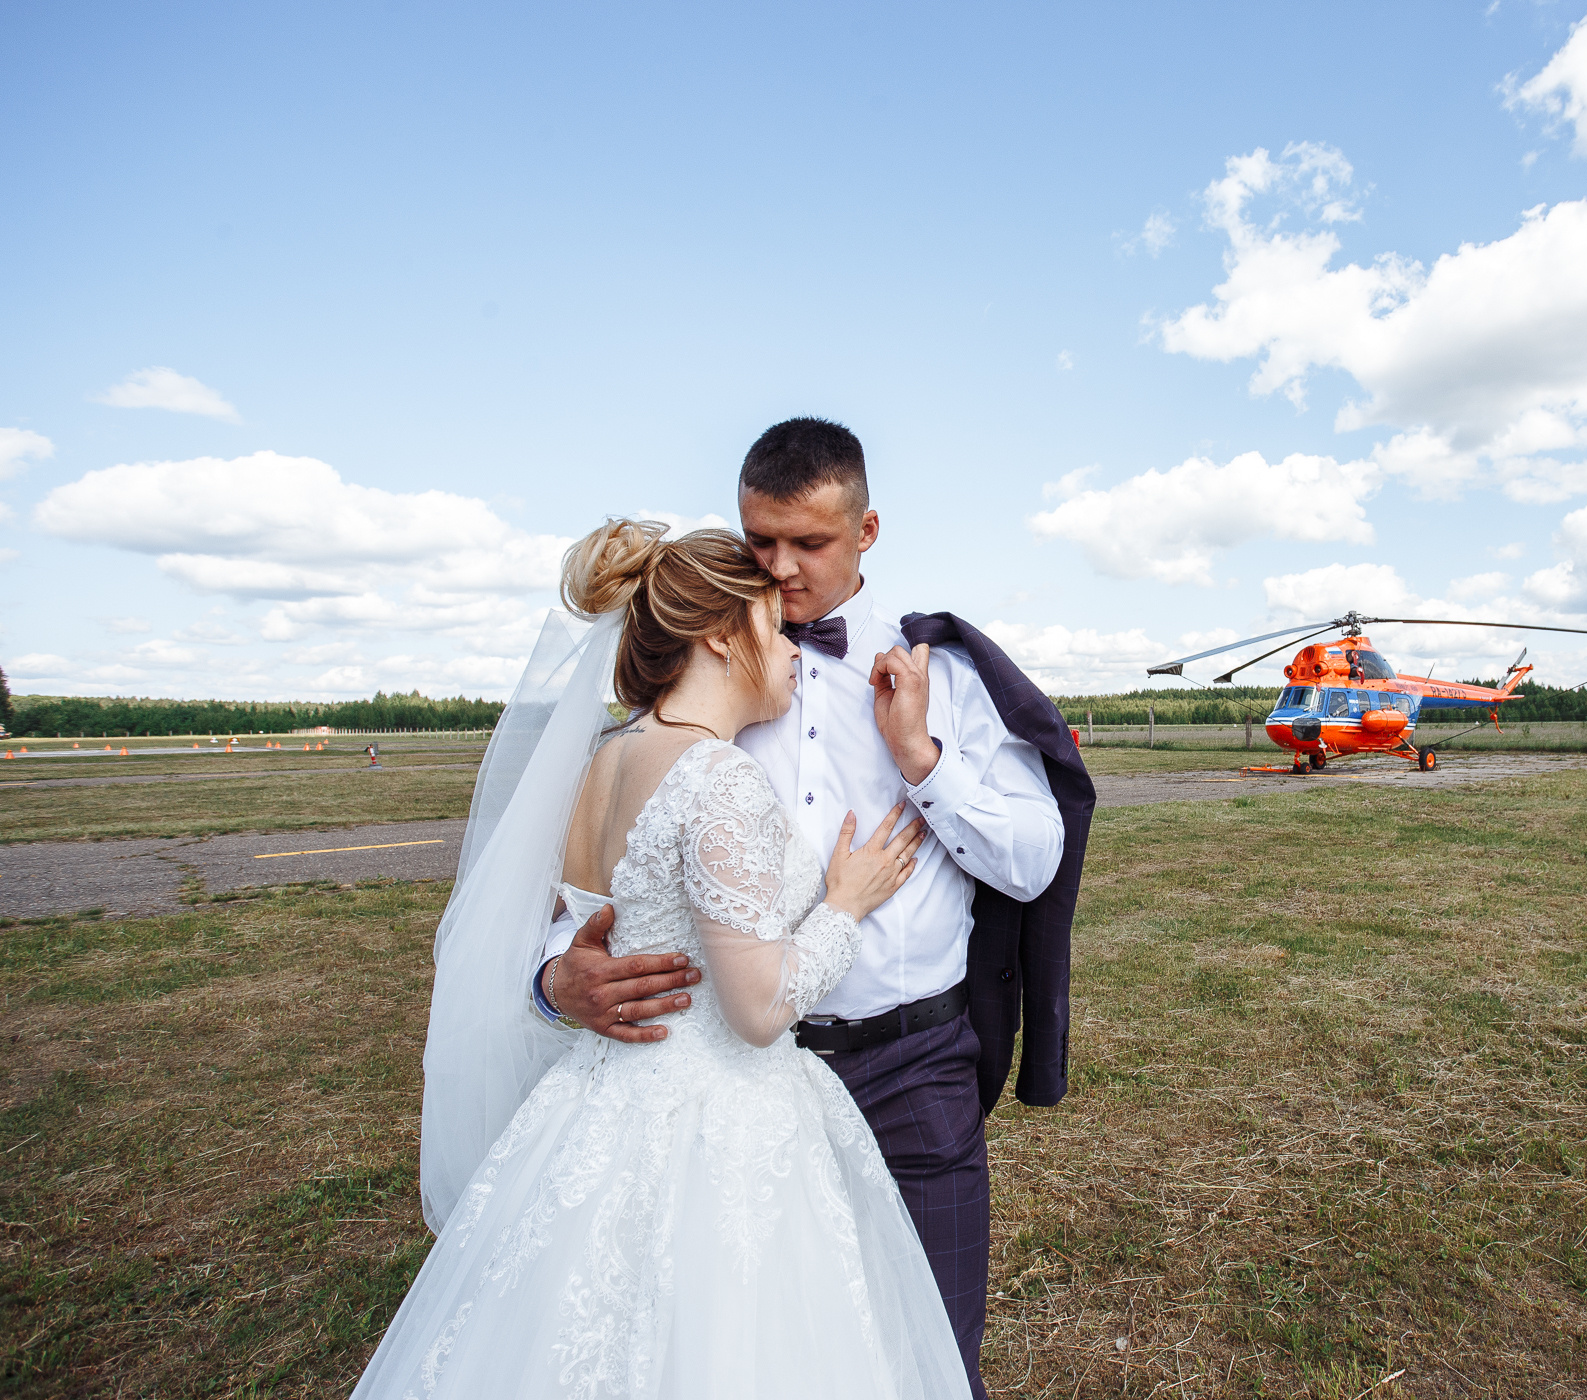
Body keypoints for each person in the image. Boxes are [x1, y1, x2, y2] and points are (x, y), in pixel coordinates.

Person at [537, 418, 1091, 1399]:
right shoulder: (701, 677)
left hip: (912, 1069)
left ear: (867, 528)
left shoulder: (946, 675)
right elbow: (600, 873)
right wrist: (553, 976)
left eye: (811, 542)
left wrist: (923, 757)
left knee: (929, 1360)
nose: (782, 570)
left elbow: (1034, 859)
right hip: (732, 1087)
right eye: (761, 541)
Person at [355, 523, 972, 1398]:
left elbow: (578, 929)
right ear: (723, 634)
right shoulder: (715, 775)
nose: (794, 651)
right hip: (721, 1117)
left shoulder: (604, 764)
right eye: (776, 627)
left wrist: (556, 980)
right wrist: (847, 903)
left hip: (602, 1101)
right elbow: (757, 1013)